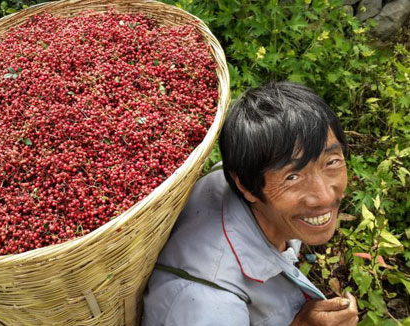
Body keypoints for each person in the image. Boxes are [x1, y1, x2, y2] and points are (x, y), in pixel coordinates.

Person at [142, 82, 359, 325]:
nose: (325, 197)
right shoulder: (209, 306)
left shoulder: (242, 176)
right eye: (292, 177)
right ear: (245, 185)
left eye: (331, 162)